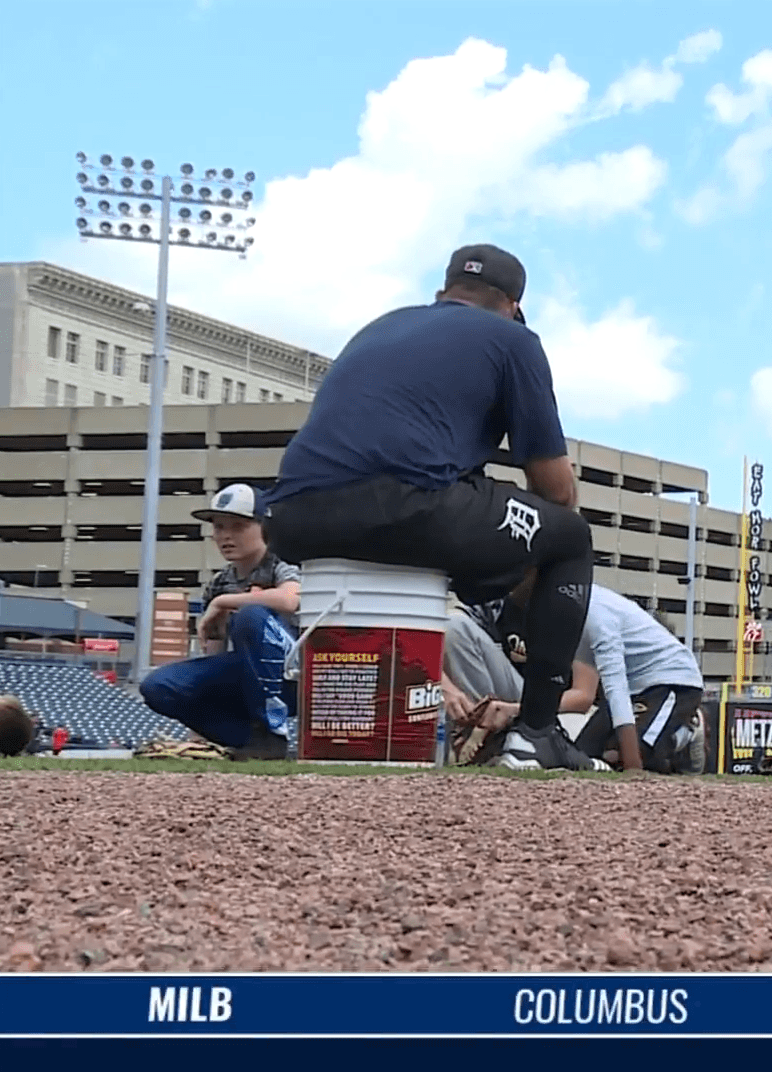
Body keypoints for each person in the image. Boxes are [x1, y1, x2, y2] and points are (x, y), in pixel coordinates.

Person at [265, 245, 596, 772]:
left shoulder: (382, 326)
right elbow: (555, 491)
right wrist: (522, 568)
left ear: (442, 294)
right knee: (571, 538)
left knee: (460, 518)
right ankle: (537, 732)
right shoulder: (514, 339)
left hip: (293, 517)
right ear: (513, 306)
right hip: (403, 508)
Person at [446, 579, 704, 774]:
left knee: (624, 758)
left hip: (668, 681)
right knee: (585, 761)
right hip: (624, 690)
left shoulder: (592, 614)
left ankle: (686, 732)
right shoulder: (529, 603)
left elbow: (615, 689)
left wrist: (634, 772)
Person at [138, 484, 299, 760]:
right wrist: (199, 733)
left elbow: (289, 599)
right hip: (244, 675)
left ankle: (272, 733)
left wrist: (225, 602)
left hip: (293, 677)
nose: (225, 536)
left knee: (251, 616)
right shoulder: (220, 581)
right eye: (219, 527)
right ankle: (246, 743)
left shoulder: (281, 562)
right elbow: (214, 655)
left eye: (237, 526)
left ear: (263, 527)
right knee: (158, 686)